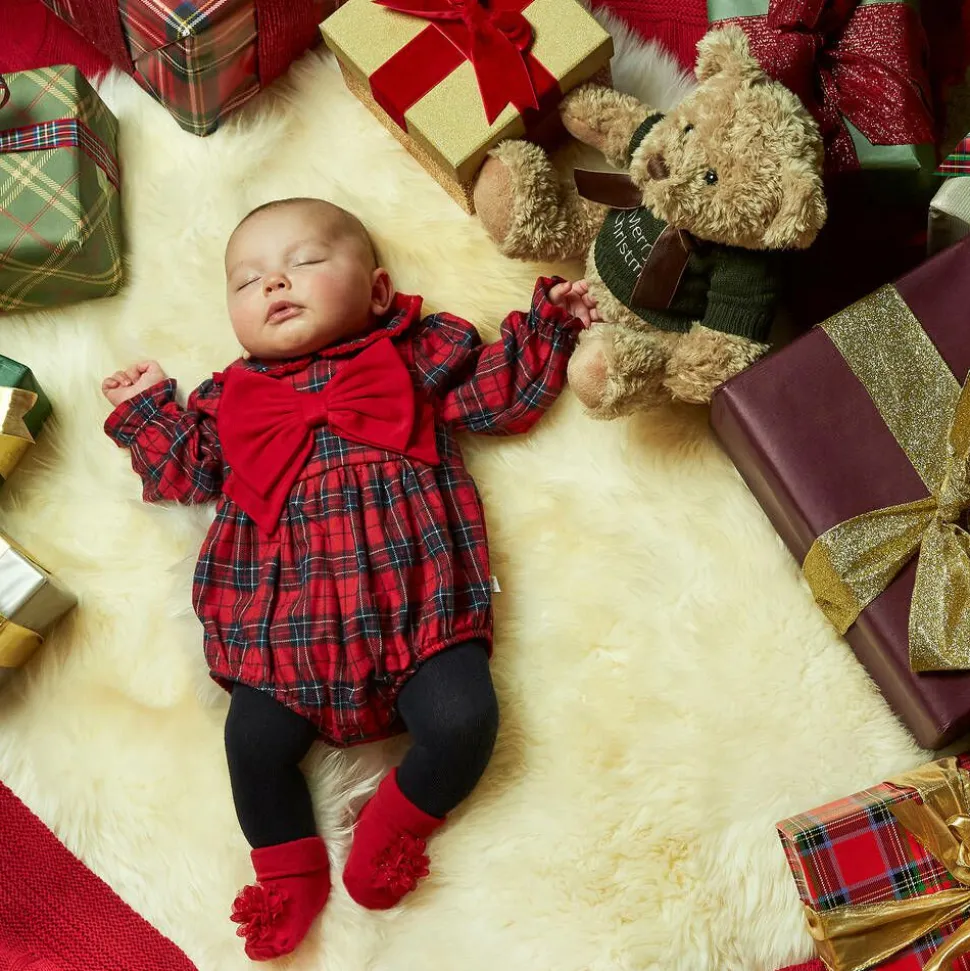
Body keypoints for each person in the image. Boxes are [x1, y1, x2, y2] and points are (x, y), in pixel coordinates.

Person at [102, 197, 598, 961]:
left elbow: (499, 396)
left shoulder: (410, 353)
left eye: (303, 262)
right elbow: (184, 472)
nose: (275, 284)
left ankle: (398, 822)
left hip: (420, 614)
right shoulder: (231, 397)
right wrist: (147, 408)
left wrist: (551, 329)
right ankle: (285, 866)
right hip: (281, 633)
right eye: (248, 279)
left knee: (466, 720)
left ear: (374, 291)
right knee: (251, 746)